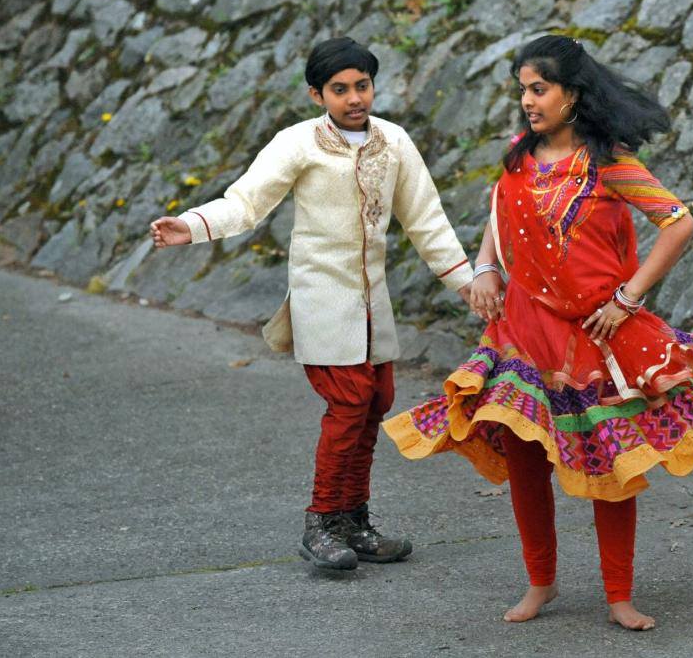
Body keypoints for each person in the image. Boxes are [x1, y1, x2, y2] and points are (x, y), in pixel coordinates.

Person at [382, 35, 693, 629]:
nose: (528, 101)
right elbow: (499, 206)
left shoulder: (608, 162)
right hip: (520, 328)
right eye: (523, 90)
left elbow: (679, 223)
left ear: (572, 94)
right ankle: (540, 583)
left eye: (538, 89)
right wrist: (486, 266)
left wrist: (628, 297)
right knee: (522, 454)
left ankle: (619, 594)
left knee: (611, 462)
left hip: (594, 334)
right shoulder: (520, 153)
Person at [149, 37, 473, 571]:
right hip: (322, 296)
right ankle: (321, 522)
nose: (353, 98)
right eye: (339, 89)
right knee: (348, 404)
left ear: (373, 86)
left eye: (362, 86)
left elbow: (426, 218)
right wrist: (190, 226)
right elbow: (246, 202)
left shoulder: (393, 141)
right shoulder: (298, 143)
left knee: (375, 403)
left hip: (373, 299)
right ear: (316, 94)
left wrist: (465, 282)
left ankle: (355, 521)